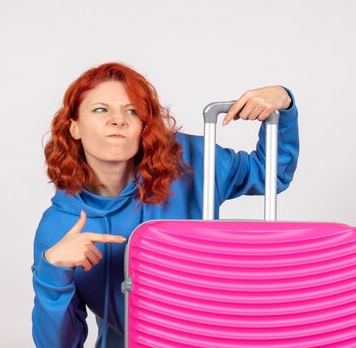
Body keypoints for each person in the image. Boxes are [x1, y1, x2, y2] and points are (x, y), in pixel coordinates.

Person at [31, 62, 299, 348]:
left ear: (143, 126)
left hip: (219, 337)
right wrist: (53, 272)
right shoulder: (59, 227)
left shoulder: (191, 162)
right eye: (101, 109)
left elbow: (270, 173)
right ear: (74, 127)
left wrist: (282, 103)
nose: (118, 120)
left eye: (131, 110)